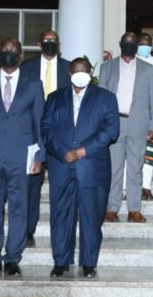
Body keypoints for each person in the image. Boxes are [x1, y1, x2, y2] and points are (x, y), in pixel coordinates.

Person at [0, 37, 45, 277]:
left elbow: (39, 124)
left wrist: (39, 156)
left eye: (13, 50)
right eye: (4, 50)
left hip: (20, 157)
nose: (9, 53)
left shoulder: (33, 84)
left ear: (21, 55)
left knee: (18, 208)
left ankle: (13, 258)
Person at [41, 58, 120, 279]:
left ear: (90, 72)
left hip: (92, 167)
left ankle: (88, 263)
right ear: (69, 73)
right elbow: (46, 129)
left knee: (91, 217)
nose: (80, 73)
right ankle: (61, 262)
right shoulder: (54, 98)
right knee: (60, 216)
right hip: (61, 165)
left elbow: (111, 130)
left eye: (85, 70)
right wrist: (61, 151)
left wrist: (84, 150)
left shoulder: (106, 98)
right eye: (76, 70)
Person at [100, 32, 153, 223]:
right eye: (126, 42)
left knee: (135, 168)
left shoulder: (148, 69)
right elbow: (100, 99)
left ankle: (134, 209)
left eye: (132, 43)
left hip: (138, 124)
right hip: (114, 124)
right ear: (120, 44)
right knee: (114, 168)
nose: (129, 45)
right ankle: (112, 208)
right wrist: (101, 124)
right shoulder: (107, 67)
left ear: (136, 45)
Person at [20, 29, 71, 247]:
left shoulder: (69, 68)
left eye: (54, 41)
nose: (50, 43)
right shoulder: (26, 68)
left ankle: (61, 230)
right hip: (32, 136)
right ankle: (28, 230)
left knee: (60, 186)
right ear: (40, 43)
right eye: (46, 40)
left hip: (59, 138)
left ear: (58, 44)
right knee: (32, 186)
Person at [136, 32, 153, 201]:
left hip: (151, 114)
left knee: (150, 154)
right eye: (142, 43)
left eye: (148, 44)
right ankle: (126, 187)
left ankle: (146, 187)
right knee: (129, 154)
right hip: (131, 116)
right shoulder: (128, 60)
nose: (145, 46)